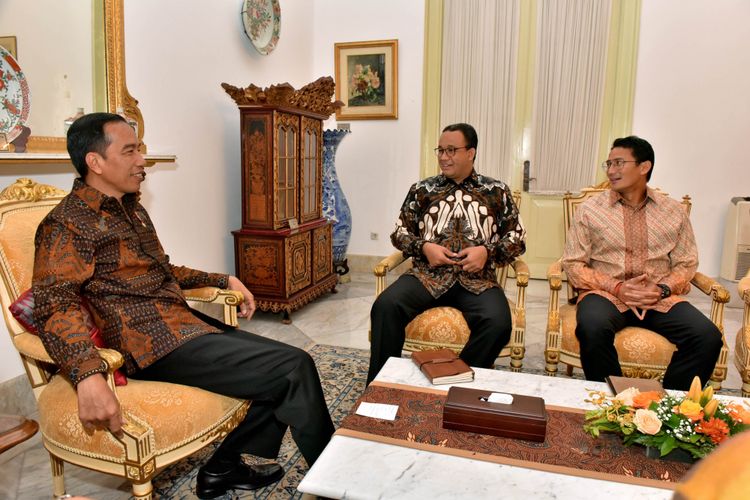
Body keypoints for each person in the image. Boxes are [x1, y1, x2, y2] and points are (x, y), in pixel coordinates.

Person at [32, 113, 334, 499]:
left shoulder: (132, 209)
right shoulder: (68, 223)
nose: (142, 159)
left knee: (288, 366)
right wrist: (87, 373)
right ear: (95, 162)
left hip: (179, 327)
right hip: (146, 346)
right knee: (293, 369)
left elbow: (164, 269)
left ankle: (221, 470)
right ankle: (333, 482)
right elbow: (54, 304)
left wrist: (222, 279)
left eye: (139, 148)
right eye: (130, 151)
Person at [561, 135, 723, 391]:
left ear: (644, 167)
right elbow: (573, 264)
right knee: (592, 328)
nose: (611, 171)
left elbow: (686, 263)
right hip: (605, 294)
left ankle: (668, 405)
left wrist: (662, 289)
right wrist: (617, 288)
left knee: (707, 336)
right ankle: (615, 404)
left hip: (658, 297)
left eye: (618, 163)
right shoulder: (591, 210)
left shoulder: (673, 211)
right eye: (608, 164)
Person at [367, 123, 526, 383]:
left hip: (477, 281)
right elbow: (399, 233)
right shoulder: (422, 190)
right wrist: (424, 247)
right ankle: (381, 387)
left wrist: (487, 252)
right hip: (426, 277)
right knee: (385, 306)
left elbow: (517, 238)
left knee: (499, 322)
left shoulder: (497, 191)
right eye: (440, 150)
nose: (443, 156)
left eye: (451, 150)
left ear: (471, 152)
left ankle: (453, 379)